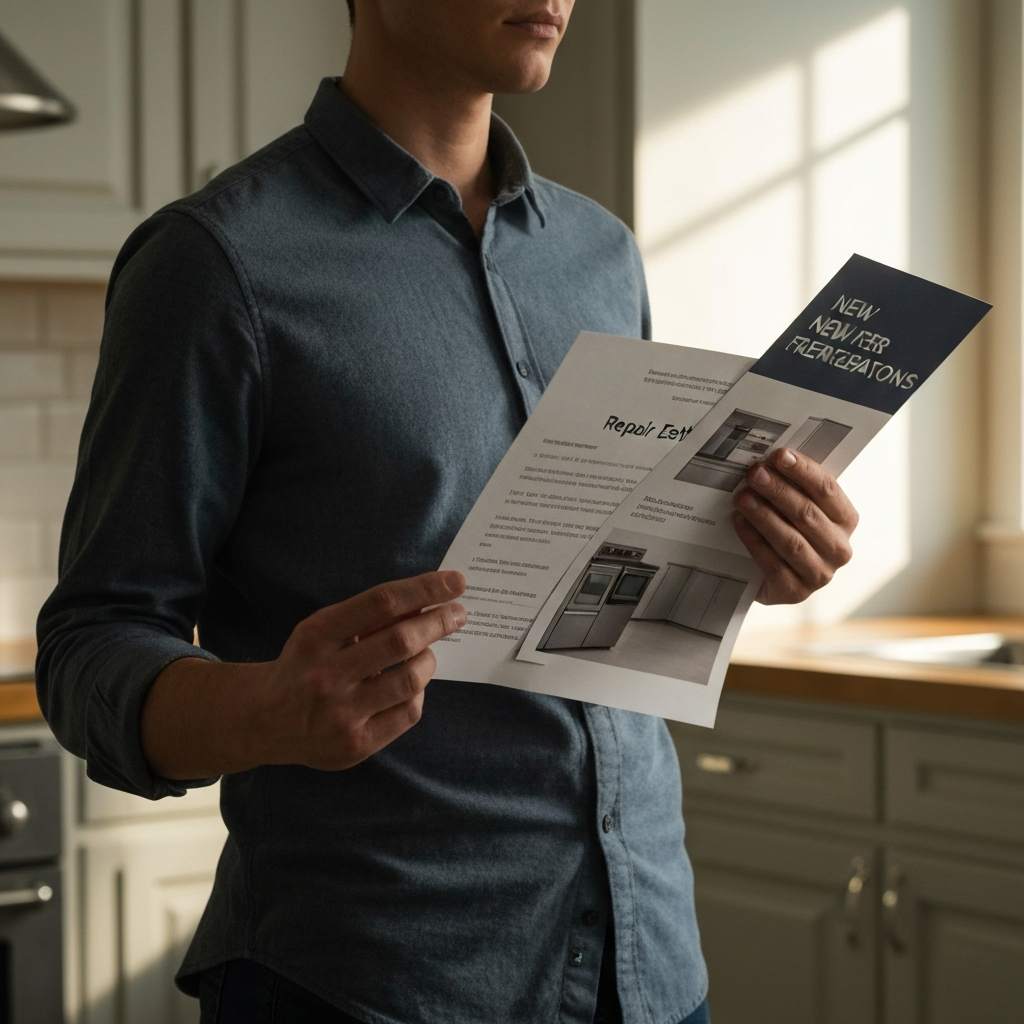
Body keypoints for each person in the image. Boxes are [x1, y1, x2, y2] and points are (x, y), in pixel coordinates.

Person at [36, 2, 859, 1022]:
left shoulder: (601, 255)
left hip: (644, 969)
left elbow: (607, 593)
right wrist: (269, 711)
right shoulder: (216, 264)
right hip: (370, 983)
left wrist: (749, 557)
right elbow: (89, 644)